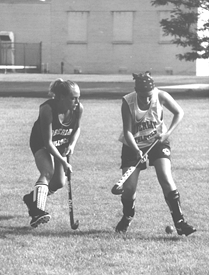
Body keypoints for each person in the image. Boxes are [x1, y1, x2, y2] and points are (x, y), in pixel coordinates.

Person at [114, 71, 196, 236]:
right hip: (133, 145)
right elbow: (128, 132)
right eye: (142, 96)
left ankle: (180, 222)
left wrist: (167, 134)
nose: (146, 99)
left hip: (157, 141)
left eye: (149, 96)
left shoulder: (161, 95)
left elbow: (179, 112)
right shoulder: (128, 101)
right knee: (129, 189)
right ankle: (128, 215)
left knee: (165, 177)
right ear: (136, 92)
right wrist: (137, 151)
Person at [23, 78, 83, 228]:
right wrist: (63, 162)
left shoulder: (78, 109)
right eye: (73, 98)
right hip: (42, 143)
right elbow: (48, 143)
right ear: (61, 97)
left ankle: (32, 199)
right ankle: (37, 212)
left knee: (59, 183)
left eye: (78, 98)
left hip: (62, 144)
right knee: (47, 172)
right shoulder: (47, 109)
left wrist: (72, 145)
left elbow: (77, 129)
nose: (77, 101)